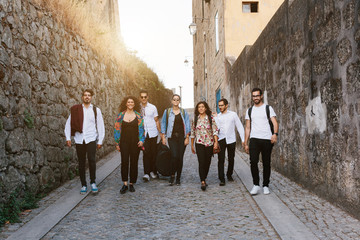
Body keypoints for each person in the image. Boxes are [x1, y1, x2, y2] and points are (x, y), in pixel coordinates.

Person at [65, 89, 105, 194]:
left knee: (92, 160)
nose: (87, 97)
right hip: (79, 139)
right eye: (85, 95)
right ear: (82, 97)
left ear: (91, 97)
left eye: (89, 95)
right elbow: (68, 123)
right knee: (81, 162)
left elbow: (100, 126)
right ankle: (83, 184)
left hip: (91, 139)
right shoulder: (76, 110)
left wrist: (100, 140)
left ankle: (93, 182)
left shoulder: (96, 110)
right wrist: (68, 137)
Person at [244, 88, 279, 195]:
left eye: (257, 96)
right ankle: (256, 185)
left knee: (266, 162)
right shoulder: (249, 110)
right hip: (254, 139)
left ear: (261, 96)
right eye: (254, 96)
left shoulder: (268, 108)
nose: (255, 98)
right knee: (253, 161)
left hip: (267, 139)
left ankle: (265, 185)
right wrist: (245, 142)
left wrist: (275, 134)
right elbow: (247, 127)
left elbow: (275, 123)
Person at [114, 96, 145, 194]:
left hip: (135, 143)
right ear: (126, 104)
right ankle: (125, 184)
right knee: (124, 162)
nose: (130, 103)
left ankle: (131, 183)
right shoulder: (120, 116)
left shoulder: (139, 116)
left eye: (132, 102)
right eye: (128, 102)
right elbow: (117, 129)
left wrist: (142, 140)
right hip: (124, 142)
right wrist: (117, 142)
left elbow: (142, 130)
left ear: (134, 104)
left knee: (134, 162)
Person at [160, 94, 191, 186]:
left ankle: (178, 178)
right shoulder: (167, 112)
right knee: (174, 156)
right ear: (172, 101)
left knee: (180, 158)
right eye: (174, 100)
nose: (176, 101)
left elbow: (187, 125)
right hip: (172, 137)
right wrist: (163, 137)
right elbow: (163, 124)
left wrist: (187, 138)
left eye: (178, 100)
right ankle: (172, 175)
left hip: (182, 137)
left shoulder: (183, 112)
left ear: (179, 101)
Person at [215, 98, 245, 186]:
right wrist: (216, 118)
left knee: (231, 158)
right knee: (221, 159)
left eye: (222, 105)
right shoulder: (218, 116)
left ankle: (229, 174)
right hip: (221, 139)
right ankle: (221, 178)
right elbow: (216, 129)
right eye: (219, 105)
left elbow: (239, 126)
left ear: (226, 105)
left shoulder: (233, 115)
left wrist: (243, 139)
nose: (220, 107)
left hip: (231, 139)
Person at [191, 101, 219, 191]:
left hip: (209, 143)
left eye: (203, 106)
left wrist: (215, 142)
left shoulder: (210, 118)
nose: (201, 108)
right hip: (199, 143)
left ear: (206, 108)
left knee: (207, 162)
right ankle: (202, 181)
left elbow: (215, 131)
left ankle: (204, 176)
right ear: (197, 109)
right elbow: (192, 132)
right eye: (199, 107)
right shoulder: (195, 119)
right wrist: (192, 145)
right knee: (201, 162)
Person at [139, 90, 161, 181]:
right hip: (143, 134)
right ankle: (146, 173)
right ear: (140, 98)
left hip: (153, 132)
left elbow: (156, 120)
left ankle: (153, 171)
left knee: (153, 153)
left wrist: (161, 133)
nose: (143, 98)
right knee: (145, 153)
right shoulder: (138, 108)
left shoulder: (153, 107)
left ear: (147, 97)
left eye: (145, 97)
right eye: (142, 97)